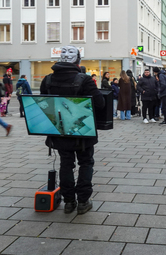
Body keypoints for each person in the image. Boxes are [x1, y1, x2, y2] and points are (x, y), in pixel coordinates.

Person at [40, 45, 105, 215]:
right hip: (82, 133)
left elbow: (43, 106)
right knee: (86, 163)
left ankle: (69, 202)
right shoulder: (84, 80)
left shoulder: (47, 80)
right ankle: (83, 201)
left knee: (66, 164)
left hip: (59, 131)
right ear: (78, 61)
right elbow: (100, 103)